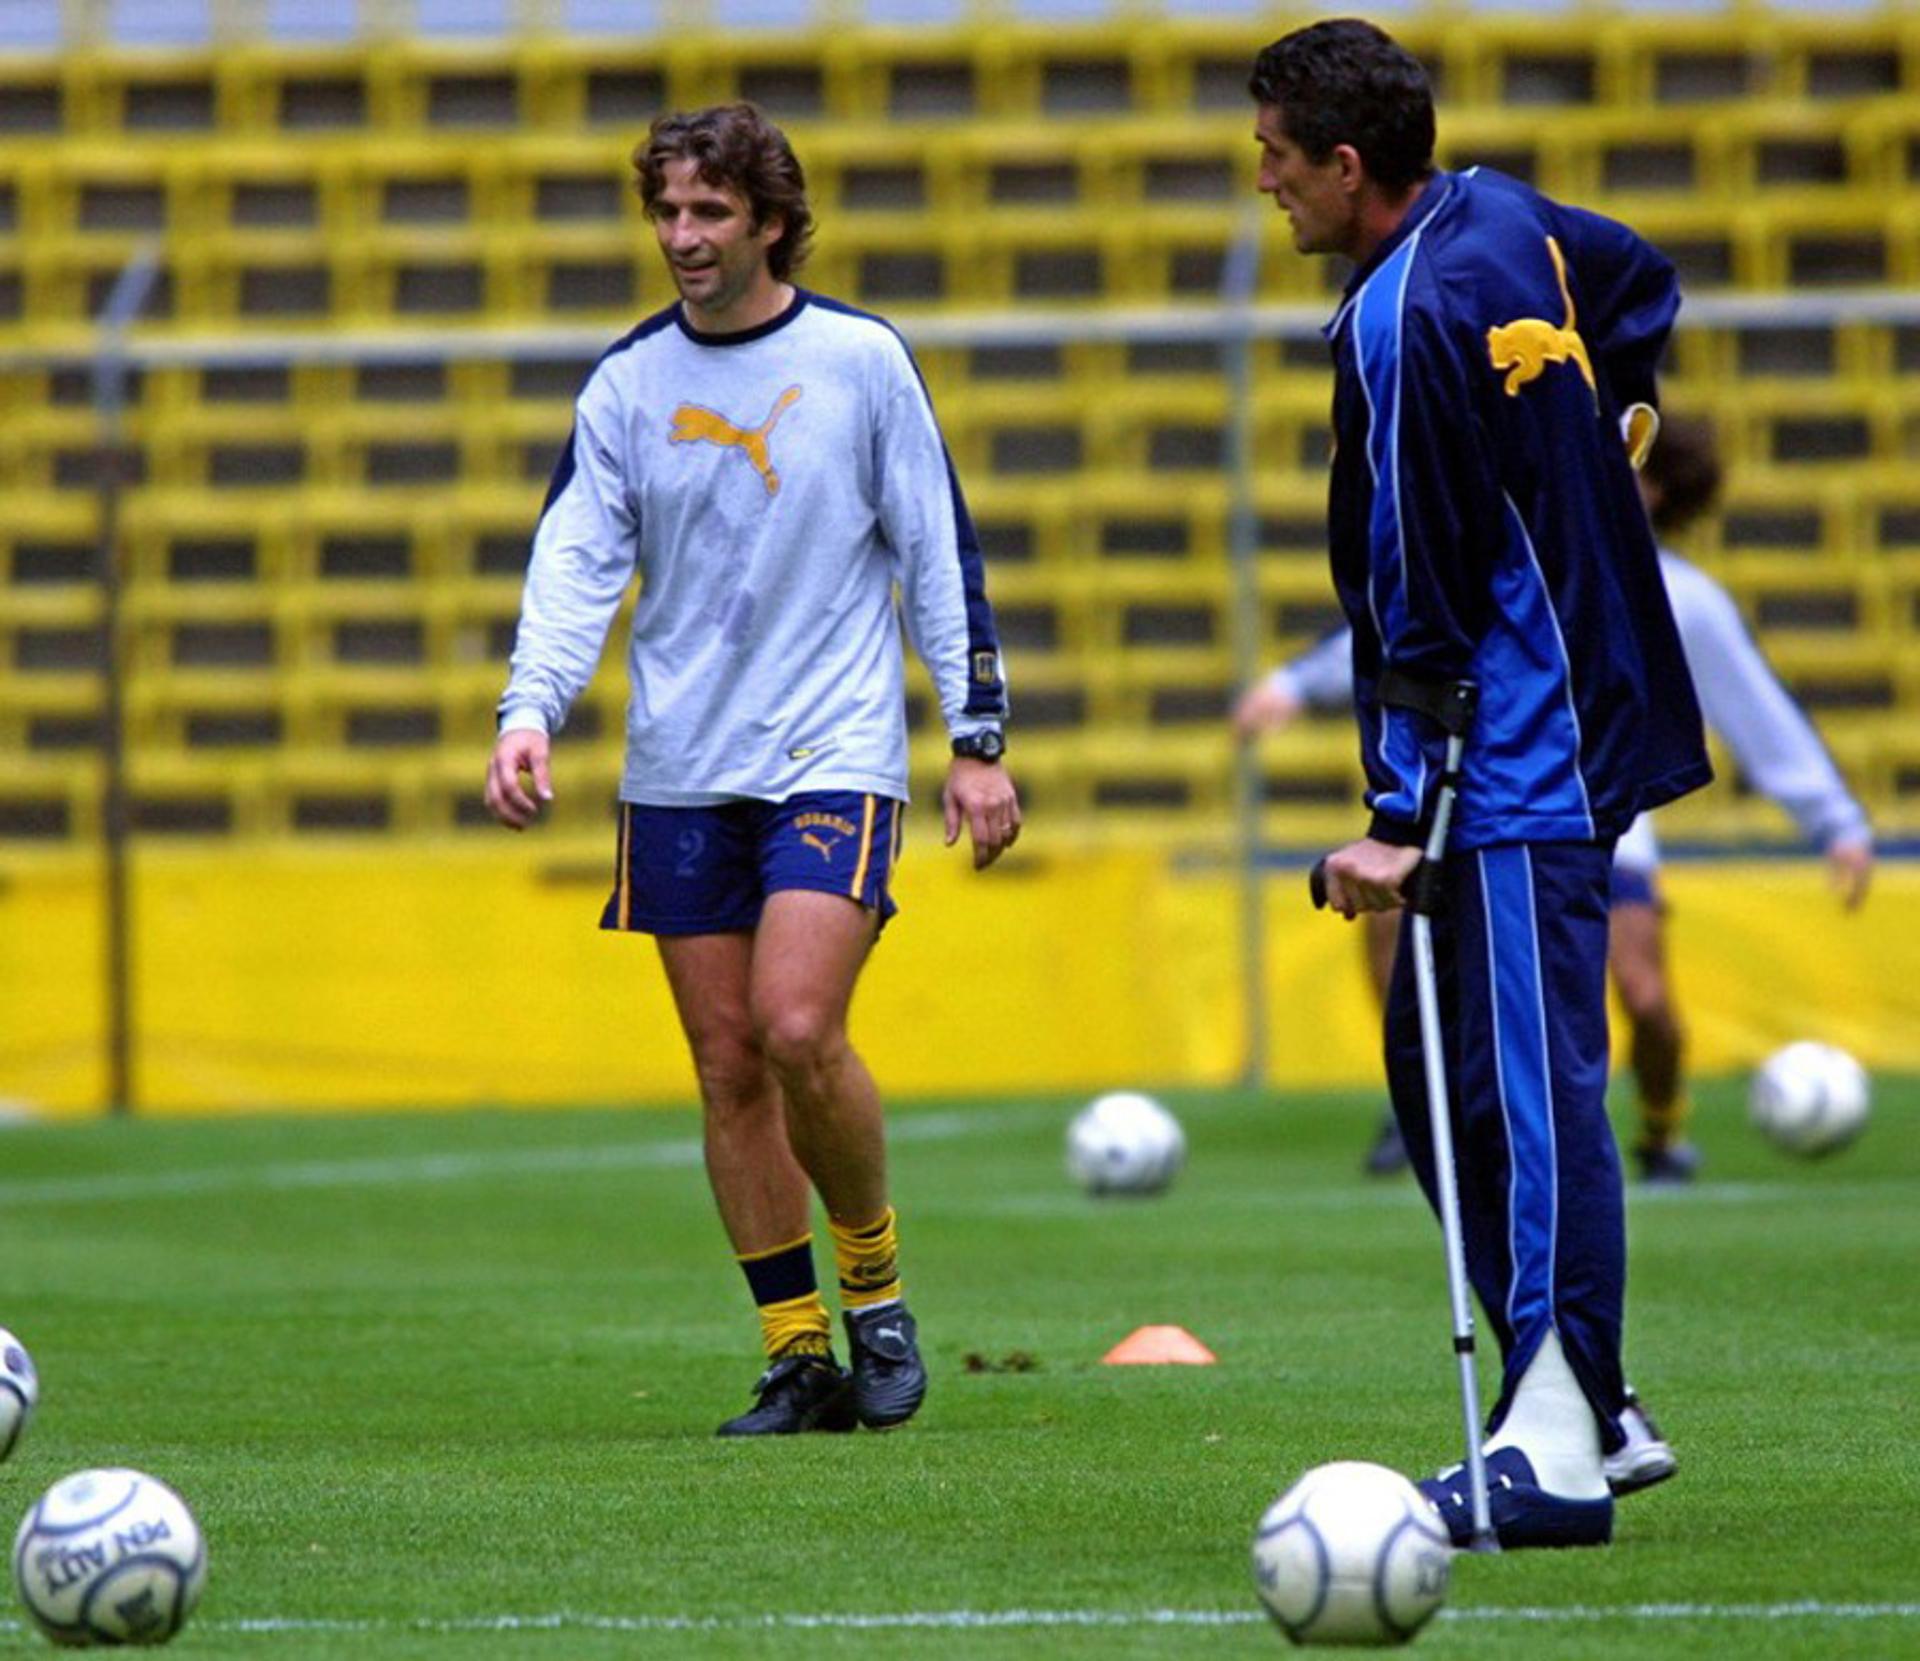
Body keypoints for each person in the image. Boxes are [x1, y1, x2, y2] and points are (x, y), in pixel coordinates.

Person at [484, 104, 1020, 1438]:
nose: (682, 236)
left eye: (710, 212)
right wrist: (528, 710)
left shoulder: (859, 362)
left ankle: (877, 1294)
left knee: (794, 1024)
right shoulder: (625, 386)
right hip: (679, 765)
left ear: (770, 220)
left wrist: (977, 736)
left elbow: (935, 548)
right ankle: (796, 1353)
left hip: (829, 751)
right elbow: (574, 563)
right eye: (667, 211)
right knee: (727, 1063)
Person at [1248, 21, 1712, 1548]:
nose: (1266, 186)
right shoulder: (1503, 212)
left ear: (1349, 165)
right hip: (1577, 711)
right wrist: (1612, 428)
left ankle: (1562, 1441)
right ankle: (1583, 1393)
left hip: (1519, 757)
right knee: (1435, 1077)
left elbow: (1410, 600)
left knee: (1529, 1089)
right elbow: (1640, 279)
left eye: (1277, 159)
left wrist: (1397, 823)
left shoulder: (1397, 315)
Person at [1237, 416, 1875, 1187]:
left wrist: (1833, 821)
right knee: (1393, 928)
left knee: (1645, 999)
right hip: (1491, 807)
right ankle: (1419, 1102)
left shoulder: (1684, 597)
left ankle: (1661, 1129)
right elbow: (1415, 637)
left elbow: (1757, 710)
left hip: (1608, 825)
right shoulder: (1525, 560)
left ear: (1655, 487)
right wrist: (1292, 684)